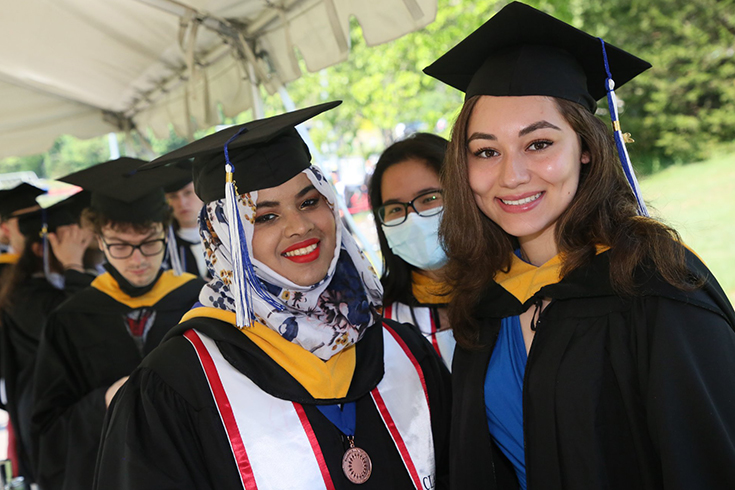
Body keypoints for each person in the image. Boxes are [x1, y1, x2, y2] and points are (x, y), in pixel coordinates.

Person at [423, 2, 735, 489]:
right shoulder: (485, 302)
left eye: (539, 143)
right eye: (486, 151)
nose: (512, 175)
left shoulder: (658, 289)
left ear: (586, 147)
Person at [94, 102, 451, 490]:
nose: (300, 226)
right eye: (264, 216)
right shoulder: (176, 384)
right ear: (224, 237)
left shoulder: (403, 350)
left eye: (309, 201)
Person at [31, 158, 205, 490]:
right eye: (121, 246)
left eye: (149, 242)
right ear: (99, 240)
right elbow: (48, 431)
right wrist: (104, 401)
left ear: (164, 232)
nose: (138, 259)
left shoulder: (197, 302)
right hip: (107, 475)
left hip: (190, 469)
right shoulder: (70, 319)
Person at [0, 191, 95, 484]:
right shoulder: (26, 296)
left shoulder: (45, 286)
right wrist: (74, 265)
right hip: (49, 418)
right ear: (41, 250)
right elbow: (78, 324)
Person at [368, 133, 455, 368]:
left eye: (430, 198)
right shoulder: (377, 321)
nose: (413, 219)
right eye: (395, 209)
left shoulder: (516, 290)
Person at [163, 164, 210, 279]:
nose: (182, 203)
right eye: (173, 196)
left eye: (188, 193)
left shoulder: (228, 240)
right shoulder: (164, 250)